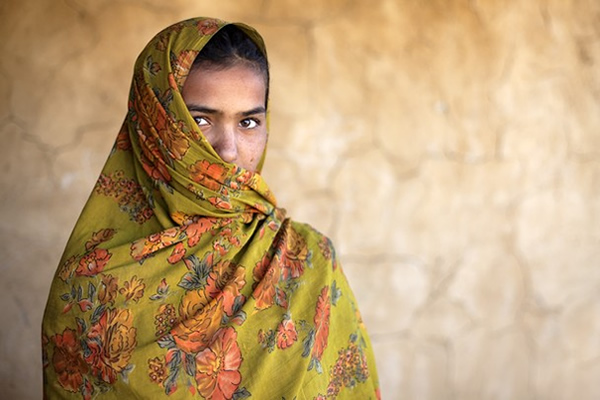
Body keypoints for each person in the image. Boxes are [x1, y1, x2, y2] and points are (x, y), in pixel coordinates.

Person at [42, 17, 380, 399]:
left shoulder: (306, 262)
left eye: (248, 121)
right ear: (155, 125)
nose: (228, 150)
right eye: (200, 120)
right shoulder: (91, 285)